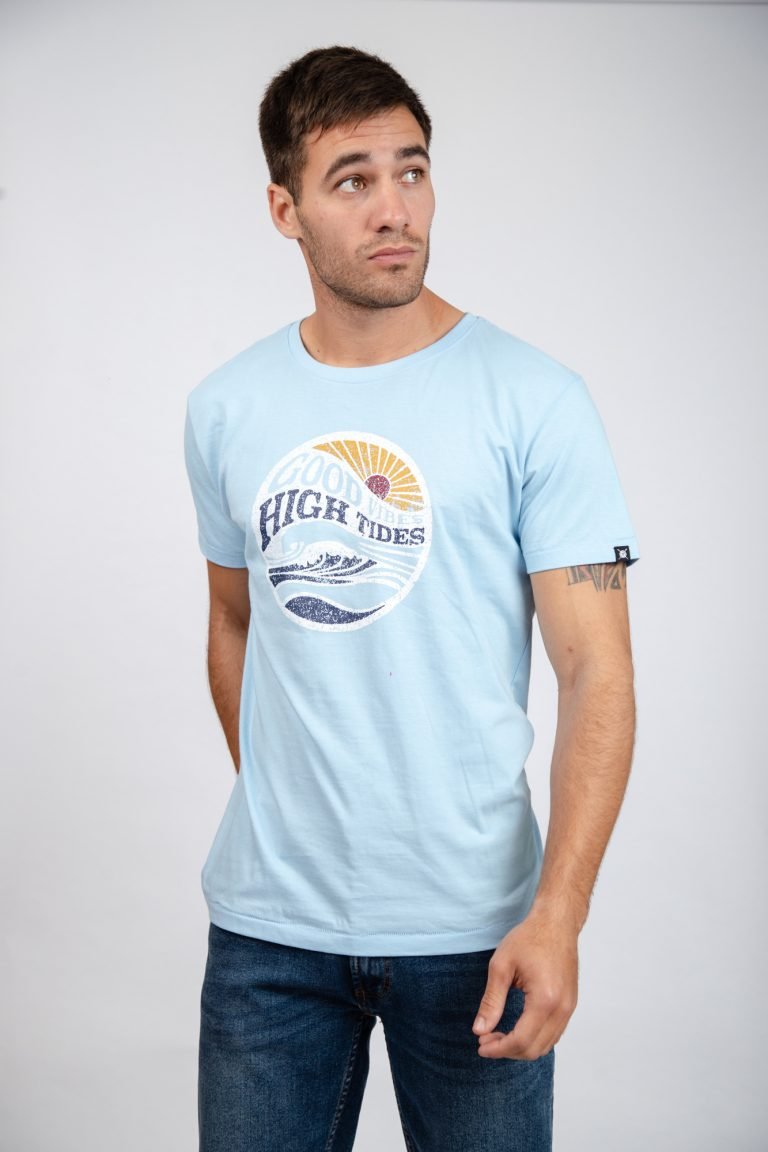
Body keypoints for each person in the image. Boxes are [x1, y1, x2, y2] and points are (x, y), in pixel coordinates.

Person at [184, 44, 639, 1152]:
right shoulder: (227, 408)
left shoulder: (534, 399)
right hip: (267, 941)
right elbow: (234, 623)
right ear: (285, 210)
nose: (395, 208)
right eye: (352, 180)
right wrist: (294, 801)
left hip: (480, 935)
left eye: (412, 171)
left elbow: (596, 671)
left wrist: (560, 914)